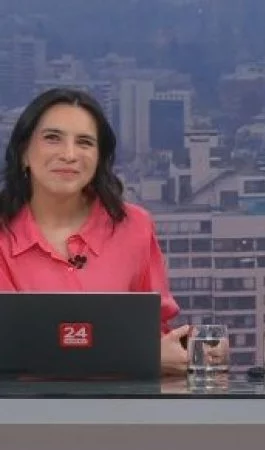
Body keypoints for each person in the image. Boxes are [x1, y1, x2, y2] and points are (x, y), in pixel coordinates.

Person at [0, 88, 189, 376]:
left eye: (85, 142)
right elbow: (12, 353)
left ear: (99, 159)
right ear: (24, 152)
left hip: (119, 403)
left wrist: (190, 349)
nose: (69, 155)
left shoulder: (134, 226)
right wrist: (139, 357)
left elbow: (154, 332)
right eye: (53, 138)